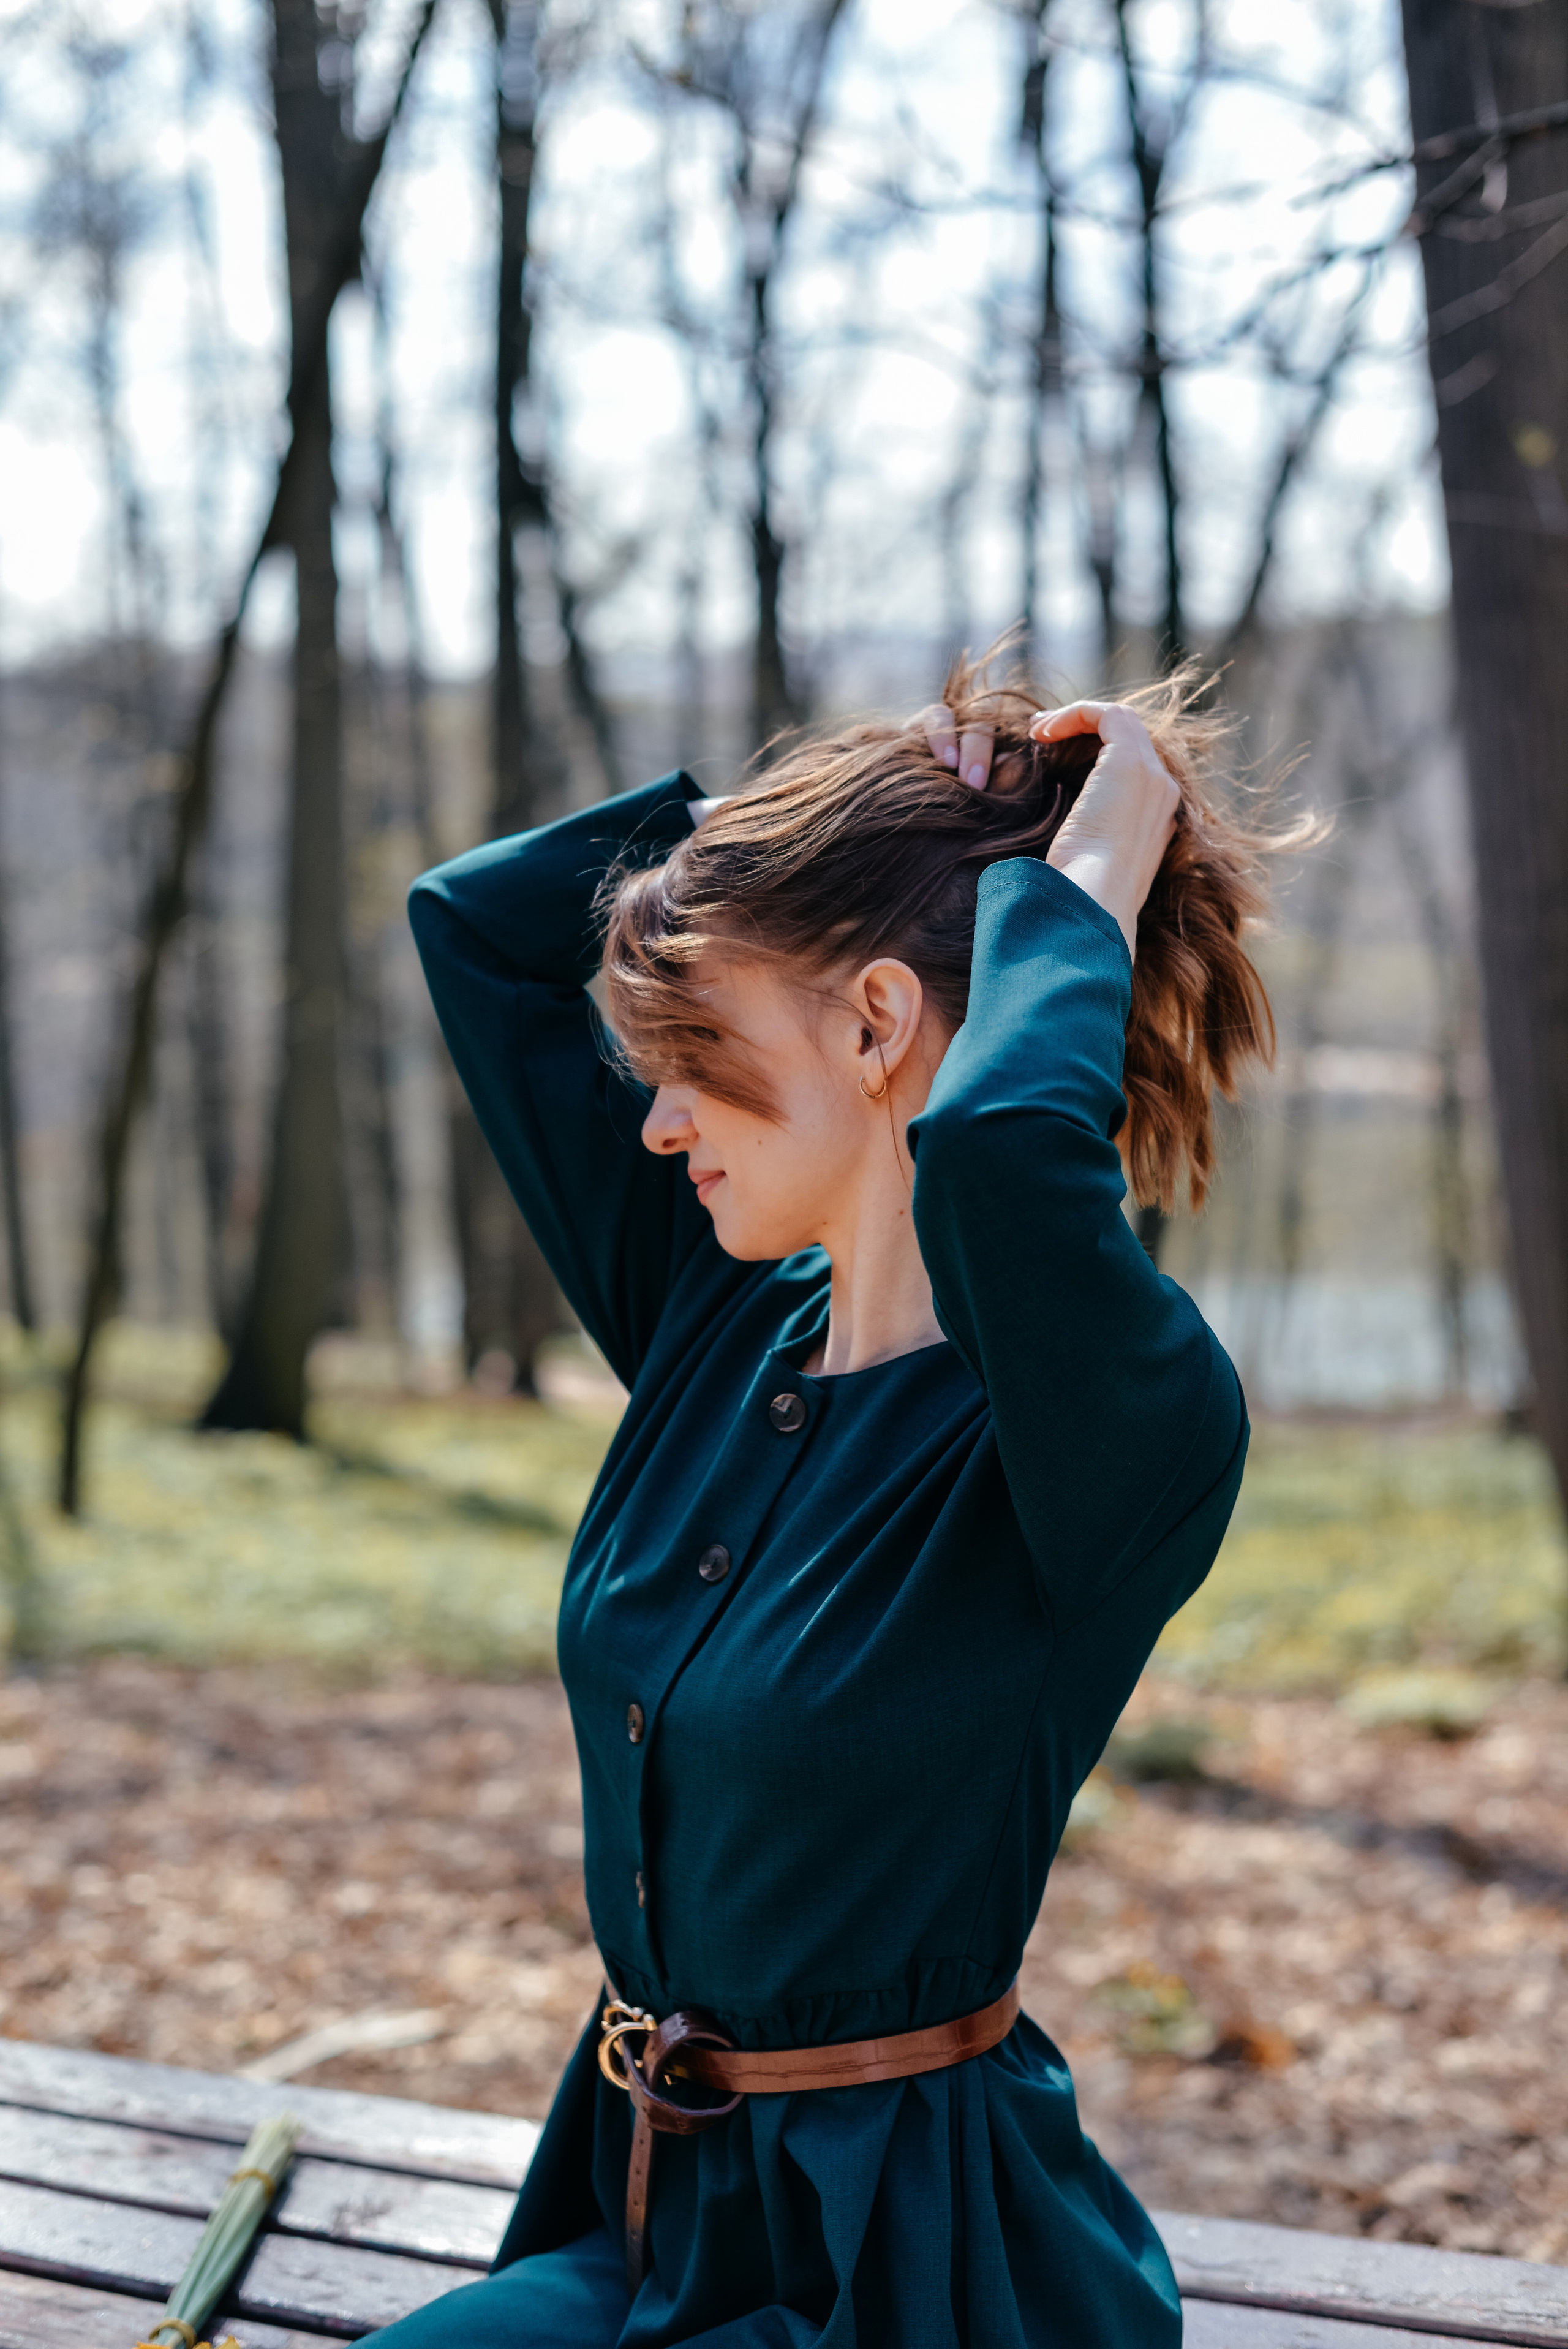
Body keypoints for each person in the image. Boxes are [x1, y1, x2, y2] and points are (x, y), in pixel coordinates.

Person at [368, 654, 1290, 2348]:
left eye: (698, 1056)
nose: (655, 1122)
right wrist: (808, 835)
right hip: (644, 2222)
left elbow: (1006, 1149)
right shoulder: (716, 1316)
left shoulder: (1111, 1425)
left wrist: (1094, 852)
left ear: (878, 1023)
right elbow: (478, 927)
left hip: (910, 2274)